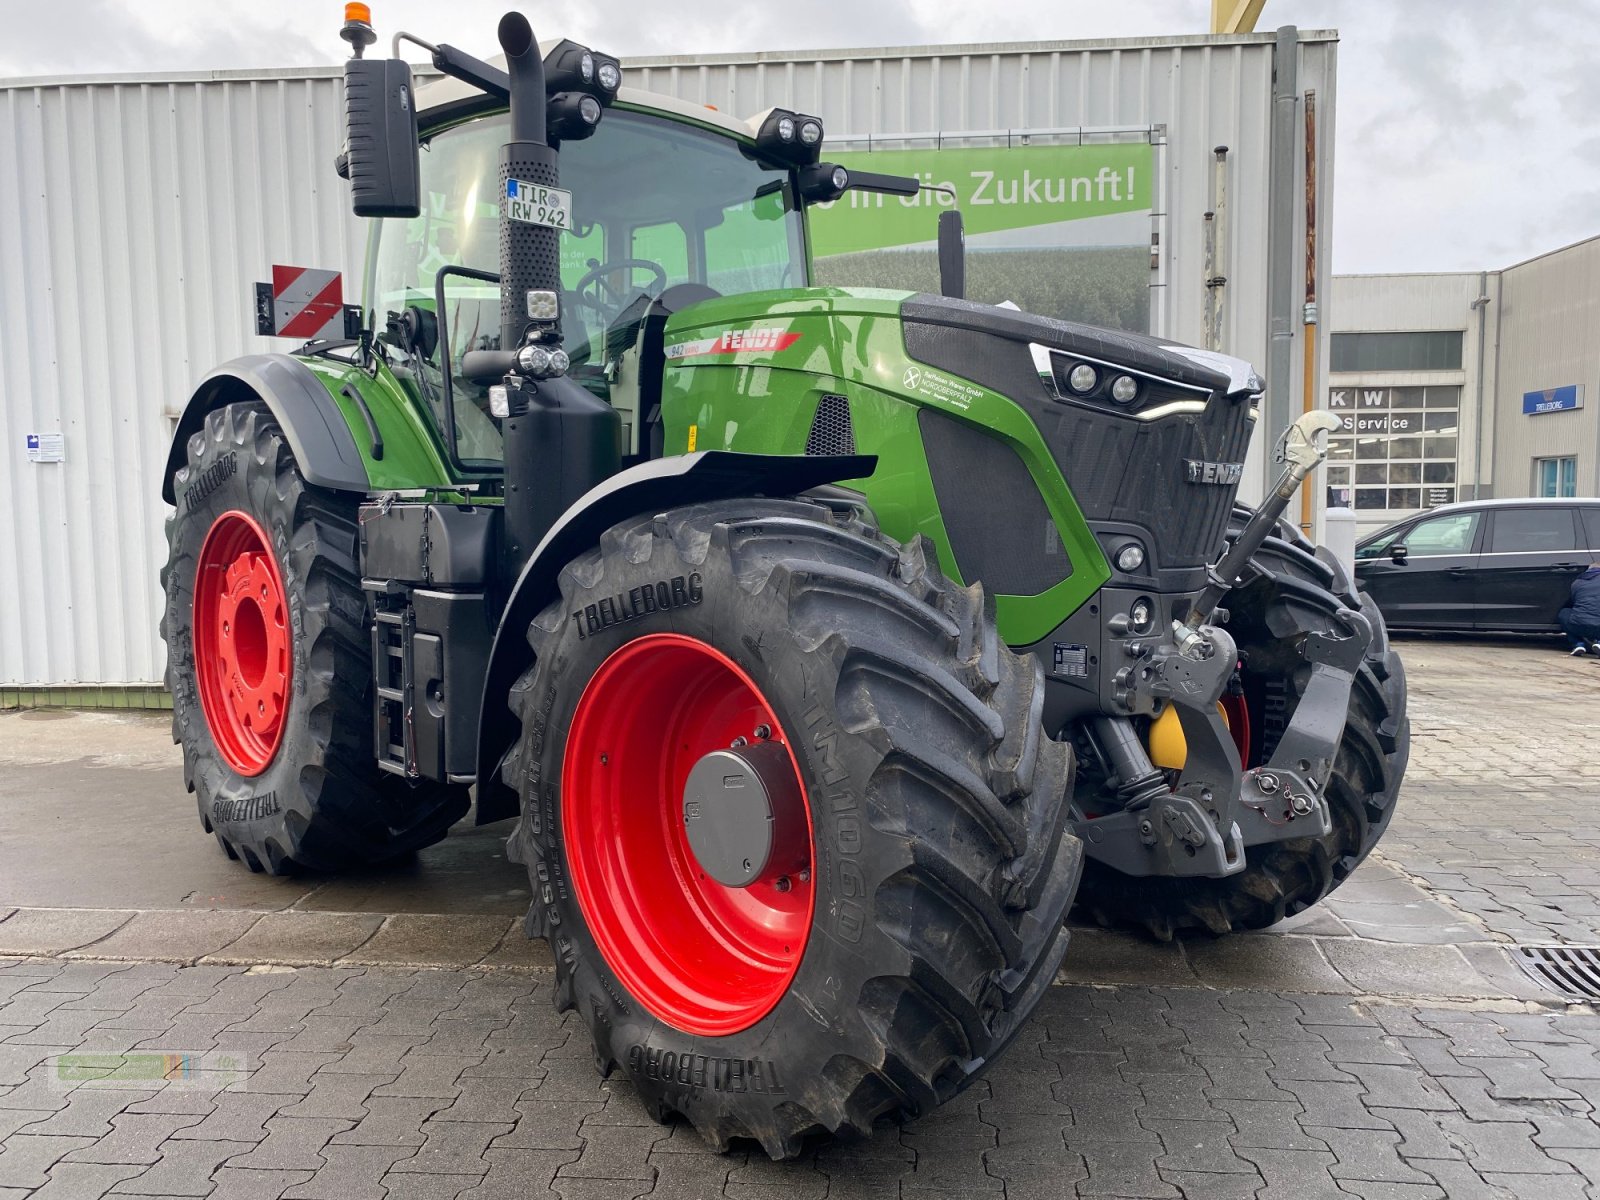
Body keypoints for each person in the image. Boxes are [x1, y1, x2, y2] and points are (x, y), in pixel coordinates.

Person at [1559, 562, 1600, 656]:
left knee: (1564, 612)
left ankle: (1577, 644)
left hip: (1578, 625)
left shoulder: (1577, 582)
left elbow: (1574, 602)